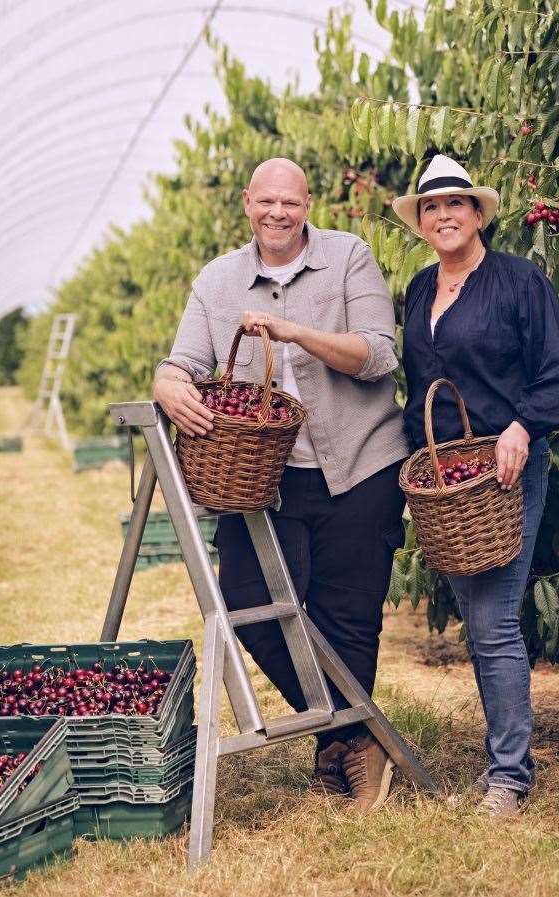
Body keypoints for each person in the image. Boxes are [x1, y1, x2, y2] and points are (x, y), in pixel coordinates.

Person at [153, 157, 409, 810]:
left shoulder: (348, 257)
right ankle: (357, 736)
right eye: (266, 201)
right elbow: (181, 361)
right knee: (244, 602)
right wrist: (167, 384)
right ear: (247, 203)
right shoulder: (218, 281)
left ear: (308, 204)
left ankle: (341, 755)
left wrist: (294, 333)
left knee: (346, 618)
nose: (277, 213)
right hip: (265, 477)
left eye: (289, 203)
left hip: (360, 463)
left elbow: (379, 352)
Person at [392, 154, 559, 816]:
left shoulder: (519, 282)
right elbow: (417, 388)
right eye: (432, 207)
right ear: (421, 220)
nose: (444, 216)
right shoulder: (417, 289)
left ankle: (509, 775)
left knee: (493, 618)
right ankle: (506, 757)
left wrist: (523, 427)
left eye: (456, 204)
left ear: (477, 214)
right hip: (448, 483)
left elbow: (553, 374)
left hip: (505, 470)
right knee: (476, 616)